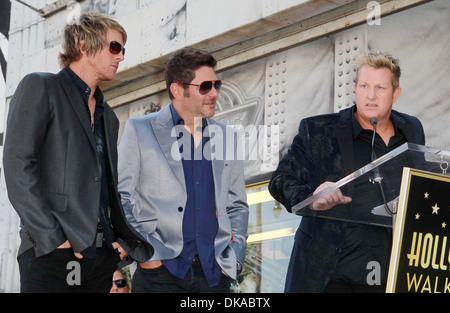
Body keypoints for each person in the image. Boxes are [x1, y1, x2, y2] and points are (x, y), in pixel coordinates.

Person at [3, 12, 152, 293]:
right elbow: (17, 165)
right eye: (114, 47)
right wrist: (55, 240)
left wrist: (115, 239)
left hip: (101, 257)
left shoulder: (108, 116)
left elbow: (106, 185)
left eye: (122, 49)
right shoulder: (41, 86)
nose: (120, 57)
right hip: (52, 253)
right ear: (84, 46)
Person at [269, 51, 425, 293]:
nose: (370, 96)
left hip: (388, 275)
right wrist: (312, 197)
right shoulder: (319, 130)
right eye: (364, 86)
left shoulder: (411, 130)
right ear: (354, 88)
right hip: (331, 275)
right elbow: (280, 180)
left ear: (396, 94)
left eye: (380, 88)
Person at [118, 47, 249, 293]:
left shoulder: (227, 137)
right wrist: (147, 255)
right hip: (159, 272)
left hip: (214, 275)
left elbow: (236, 205)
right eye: (204, 86)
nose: (213, 93)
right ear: (178, 90)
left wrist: (235, 258)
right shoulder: (140, 129)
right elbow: (122, 197)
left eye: (216, 85)